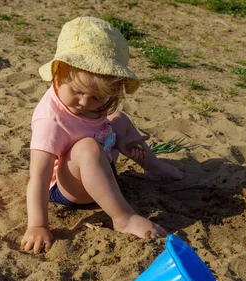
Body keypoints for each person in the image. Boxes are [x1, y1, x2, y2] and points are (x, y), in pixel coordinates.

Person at [21, 16, 182, 254]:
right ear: (59, 74)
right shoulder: (50, 122)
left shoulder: (88, 101)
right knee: (86, 147)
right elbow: (39, 178)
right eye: (77, 92)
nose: (84, 102)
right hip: (70, 188)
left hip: (99, 160)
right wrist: (38, 225)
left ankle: (153, 165)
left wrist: (118, 141)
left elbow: (98, 130)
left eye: (97, 97)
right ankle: (123, 217)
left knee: (119, 119)